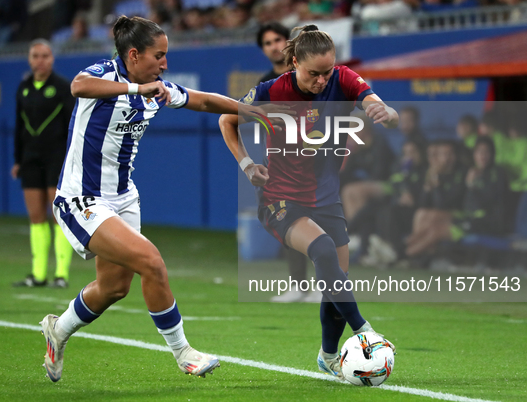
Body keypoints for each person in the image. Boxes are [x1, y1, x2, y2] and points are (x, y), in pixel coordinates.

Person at [39, 15, 278, 382]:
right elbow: (78, 86)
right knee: (151, 261)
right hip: (82, 199)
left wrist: (249, 111)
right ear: (134, 55)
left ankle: (58, 330)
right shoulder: (105, 74)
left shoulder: (158, 87)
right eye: (159, 55)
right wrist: (136, 91)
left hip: (123, 198)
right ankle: (184, 353)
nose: (165, 64)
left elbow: (202, 101)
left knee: (114, 287)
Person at [219, 24, 397, 379]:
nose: (321, 80)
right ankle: (365, 332)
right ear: (294, 63)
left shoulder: (342, 79)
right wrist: (247, 164)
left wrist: (384, 111)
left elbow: (372, 101)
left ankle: (328, 356)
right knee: (324, 251)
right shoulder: (271, 91)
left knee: (337, 282)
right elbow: (227, 119)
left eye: (326, 72)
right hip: (279, 198)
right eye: (313, 73)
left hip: (326, 200)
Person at [11, 39, 75, 289]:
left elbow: (72, 127)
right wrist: (18, 159)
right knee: (36, 217)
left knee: (58, 214)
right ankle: (38, 274)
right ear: (29, 59)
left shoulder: (62, 87)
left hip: (56, 158)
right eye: (36, 56)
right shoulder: (24, 87)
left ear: (52, 59)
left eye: (45, 56)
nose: (40, 60)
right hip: (30, 158)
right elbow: (19, 126)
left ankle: (61, 274)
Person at [257, 22, 309, 303]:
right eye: (268, 42)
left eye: (279, 39)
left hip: (316, 159)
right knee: (286, 219)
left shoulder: (312, 77)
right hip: (281, 162)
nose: (274, 46)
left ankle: (326, 288)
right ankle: (299, 285)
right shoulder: (266, 85)